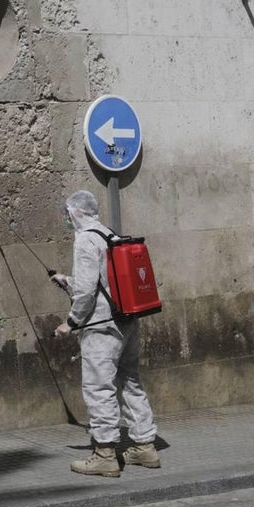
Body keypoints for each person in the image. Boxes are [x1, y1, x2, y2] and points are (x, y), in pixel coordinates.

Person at [50, 189, 159, 477]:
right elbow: (103, 283)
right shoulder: (108, 234)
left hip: (101, 328)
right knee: (129, 381)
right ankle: (144, 445)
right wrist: (66, 280)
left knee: (99, 388)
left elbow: (87, 291)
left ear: (74, 213)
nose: (66, 219)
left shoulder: (85, 240)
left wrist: (70, 323)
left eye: (67, 214)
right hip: (126, 322)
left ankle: (105, 454)